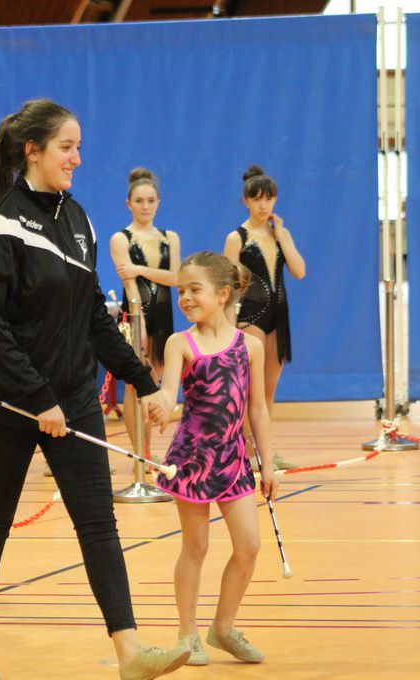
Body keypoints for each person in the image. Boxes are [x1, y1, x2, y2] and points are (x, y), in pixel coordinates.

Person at [0, 99, 190, 680]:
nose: (77, 159)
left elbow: (92, 318)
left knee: (98, 524)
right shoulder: (1, 222)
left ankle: (131, 654)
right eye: (67, 147)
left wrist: (146, 383)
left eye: (79, 147)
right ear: (32, 150)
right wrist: (39, 401)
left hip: (73, 397)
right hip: (7, 402)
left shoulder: (79, 220)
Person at [149, 251, 281, 666]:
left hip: (234, 459)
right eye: (181, 291)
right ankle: (187, 633)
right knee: (197, 545)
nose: (184, 298)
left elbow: (256, 409)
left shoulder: (250, 346)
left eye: (194, 290)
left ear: (223, 294)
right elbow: (170, 392)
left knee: (250, 545)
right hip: (192, 458)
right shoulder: (179, 343)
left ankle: (223, 628)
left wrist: (268, 463)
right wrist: (161, 404)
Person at [223, 165, 306, 471]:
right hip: (250, 317)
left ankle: (265, 450)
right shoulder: (237, 237)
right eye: (256, 199)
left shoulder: (279, 234)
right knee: (250, 389)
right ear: (246, 200)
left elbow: (299, 271)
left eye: (268, 198)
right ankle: (245, 450)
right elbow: (228, 286)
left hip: (278, 317)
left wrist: (283, 235)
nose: (263, 205)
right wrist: (228, 328)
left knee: (268, 390)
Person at [109, 167, 180, 460]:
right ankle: (142, 452)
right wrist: (140, 328)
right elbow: (131, 288)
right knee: (135, 385)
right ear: (129, 203)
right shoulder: (121, 238)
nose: (145, 206)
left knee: (155, 384)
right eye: (139, 201)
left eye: (151, 200)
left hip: (164, 316)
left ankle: (148, 451)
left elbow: (175, 278)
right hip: (136, 316)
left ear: (158, 202)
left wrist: (139, 270)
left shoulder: (169, 238)